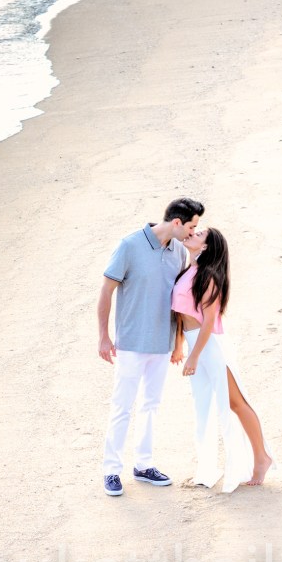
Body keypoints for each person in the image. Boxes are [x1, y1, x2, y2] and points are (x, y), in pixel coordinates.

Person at [98, 197, 204, 496]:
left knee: (151, 406)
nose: (194, 232)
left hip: (162, 343)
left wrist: (177, 342)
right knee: (122, 407)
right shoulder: (130, 245)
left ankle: (143, 465)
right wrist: (104, 336)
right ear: (177, 222)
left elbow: (179, 299)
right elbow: (106, 290)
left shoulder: (179, 252)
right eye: (192, 226)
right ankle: (111, 470)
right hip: (130, 343)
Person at [171, 227, 274, 491]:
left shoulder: (209, 277)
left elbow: (207, 323)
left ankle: (261, 457)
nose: (192, 234)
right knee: (205, 407)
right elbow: (183, 315)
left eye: (199, 234)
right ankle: (207, 467)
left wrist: (193, 356)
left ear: (205, 247)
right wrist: (179, 346)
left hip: (210, 346)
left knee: (236, 402)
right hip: (195, 344)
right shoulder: (187, 271)